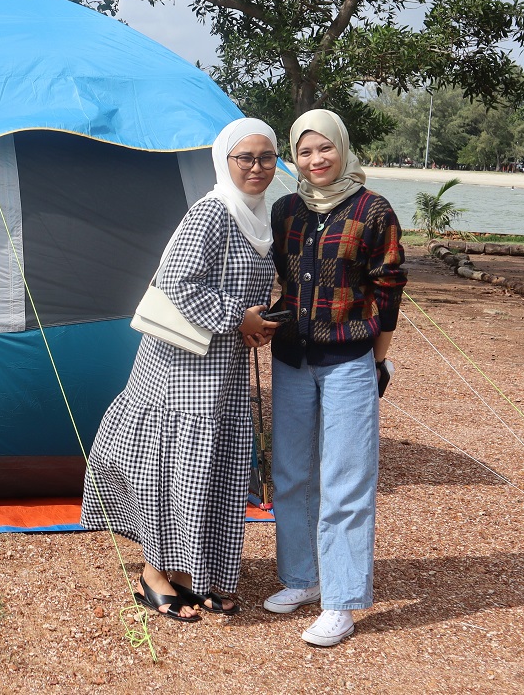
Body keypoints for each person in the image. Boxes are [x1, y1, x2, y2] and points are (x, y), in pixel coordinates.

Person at [80, 117, 282, 622]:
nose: (256, 168)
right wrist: (239, 317)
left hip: (224, 365)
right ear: (224, 161)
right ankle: (154, 574)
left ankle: (195, 573)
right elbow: (177, 282)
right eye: (245, 158)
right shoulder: (212, 213)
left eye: (266, 157)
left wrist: (257, 323)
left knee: (211, 468)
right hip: (182, 366)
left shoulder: (261, 218)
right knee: (173, 466)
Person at [263, 109, 407, 646]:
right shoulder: (286, 210)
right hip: (293, 357)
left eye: (325, 148)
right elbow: (278, 278)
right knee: (293, 472)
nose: (316, 159)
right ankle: (302, 577)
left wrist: (378, 361)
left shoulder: (373, 210)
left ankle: (342, 601)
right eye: (305, 151)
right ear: (294, 158)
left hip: (351, 357)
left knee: (346, 480)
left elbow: (388, 289)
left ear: (343, 149)